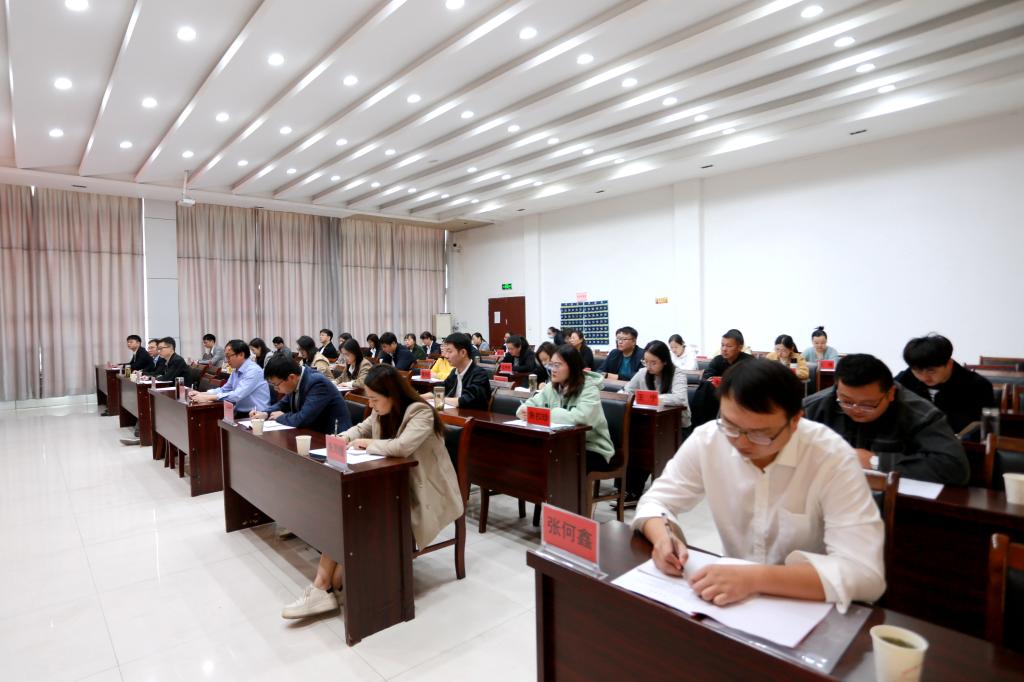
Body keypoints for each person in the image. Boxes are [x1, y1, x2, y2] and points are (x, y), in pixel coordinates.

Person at [634, 359, 885, 611]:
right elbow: (657, 501)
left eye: (761, 433)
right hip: (730, 600)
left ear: (795, 421)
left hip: (805, 602)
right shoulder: (709, 439)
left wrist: (754, 579)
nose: (742, 442)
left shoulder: (832, 457)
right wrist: (663, 537)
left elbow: (865, 574)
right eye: (731, 425)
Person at [282, 364, 463, 619]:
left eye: (375, 399)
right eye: (370, 399)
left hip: (423, 491)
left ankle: (325, 587)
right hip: (392, 485)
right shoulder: (382, 410)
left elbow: (401, 447)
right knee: (346, 510)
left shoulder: (420, 412)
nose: (372, 404)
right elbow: (361, 428)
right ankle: (323, 587)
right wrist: (342, 439)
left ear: (392, 394)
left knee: (353, 515)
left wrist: (366, 444)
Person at [803, 354, 969, 485]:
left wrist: (875, 462)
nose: (856, 409)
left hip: (897, 503)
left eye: (868, 404)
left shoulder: (919, 414)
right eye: (846, 401)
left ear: (891, 393)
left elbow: (955, 468)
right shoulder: (814, 407)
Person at [517, 345, 614, 472]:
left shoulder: (589, 388)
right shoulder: (551, 387)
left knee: (554, 462)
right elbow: (527, 406)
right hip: (561, 444)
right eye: (551, 365)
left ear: (572, 367)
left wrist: (549, 414)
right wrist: (524, 410)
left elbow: (582, 418)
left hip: (591, 447)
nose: (553, 370)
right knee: (530, 456)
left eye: (557, 365)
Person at [620, 340, 691, 506]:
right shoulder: (642, 373)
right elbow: (626, 392)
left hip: (676, 427)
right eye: (646, 361)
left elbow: (680, 398)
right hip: (649, 424)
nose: (649, 366)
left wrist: (652, 398)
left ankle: (658, 494)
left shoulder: (677, 374)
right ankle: (632, 491)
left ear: (664, 361)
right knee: (636, 445)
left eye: (654, 362)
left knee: (651, 448)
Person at [895, 334, 995, 435]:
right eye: (918, 371)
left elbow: (981, 428)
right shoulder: (904, 380)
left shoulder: (977, 386)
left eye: (931, 371)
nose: (924, 377)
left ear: (949, 364)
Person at [252, 356, 351, 434]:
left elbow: (303, 419)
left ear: (291, 377)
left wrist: (281, 417)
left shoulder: (317, 383)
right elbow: (283, 404)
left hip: (331, 437)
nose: (275, 389)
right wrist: (265, 413)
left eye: (276, 384)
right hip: (310, 432)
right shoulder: (296, 381)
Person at [121, 336, 188, 445]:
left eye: (161, 348)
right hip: (171, 390)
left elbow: (167, 377)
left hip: (182, 394)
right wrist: (150, 377)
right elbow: (162, 375)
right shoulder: (168, 360)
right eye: (159, 348)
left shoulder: (177, 360)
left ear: (171, 348)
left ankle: (145, 436)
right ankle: (144, 434)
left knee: (150, 402)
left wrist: (151, 378)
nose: (159, 351)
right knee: (148, 401)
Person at [188, 340, 271, 417]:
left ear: (241, 355)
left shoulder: (253, 371)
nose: (226, 360)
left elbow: (237, 395)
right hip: (240, 412)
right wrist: (202, 394)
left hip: (256, 415)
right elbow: (224, 389)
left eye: (228, 356)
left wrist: (208, 397)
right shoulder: (236, 370)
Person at [690, 329, 752, 426]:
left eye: (729, 346)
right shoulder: (718, 360)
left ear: (740, 347)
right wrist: (715, 381)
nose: (724, 349)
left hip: (739, 397)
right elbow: (706, 377)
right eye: (722, 345)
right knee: (706, 385)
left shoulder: (749, 361)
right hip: (716, 396)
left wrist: (725, 382)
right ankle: (700, 425)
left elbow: (750, 383)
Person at [420, 333, 491, 410]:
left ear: (463, 352)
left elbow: (466, 400)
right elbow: (441, 388)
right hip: (454, 414)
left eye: (449, 351)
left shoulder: (480, 374)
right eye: (445, 351)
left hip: (472, 416)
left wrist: (439, 399)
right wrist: (419, 397)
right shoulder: (455, 372)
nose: (446, 356)